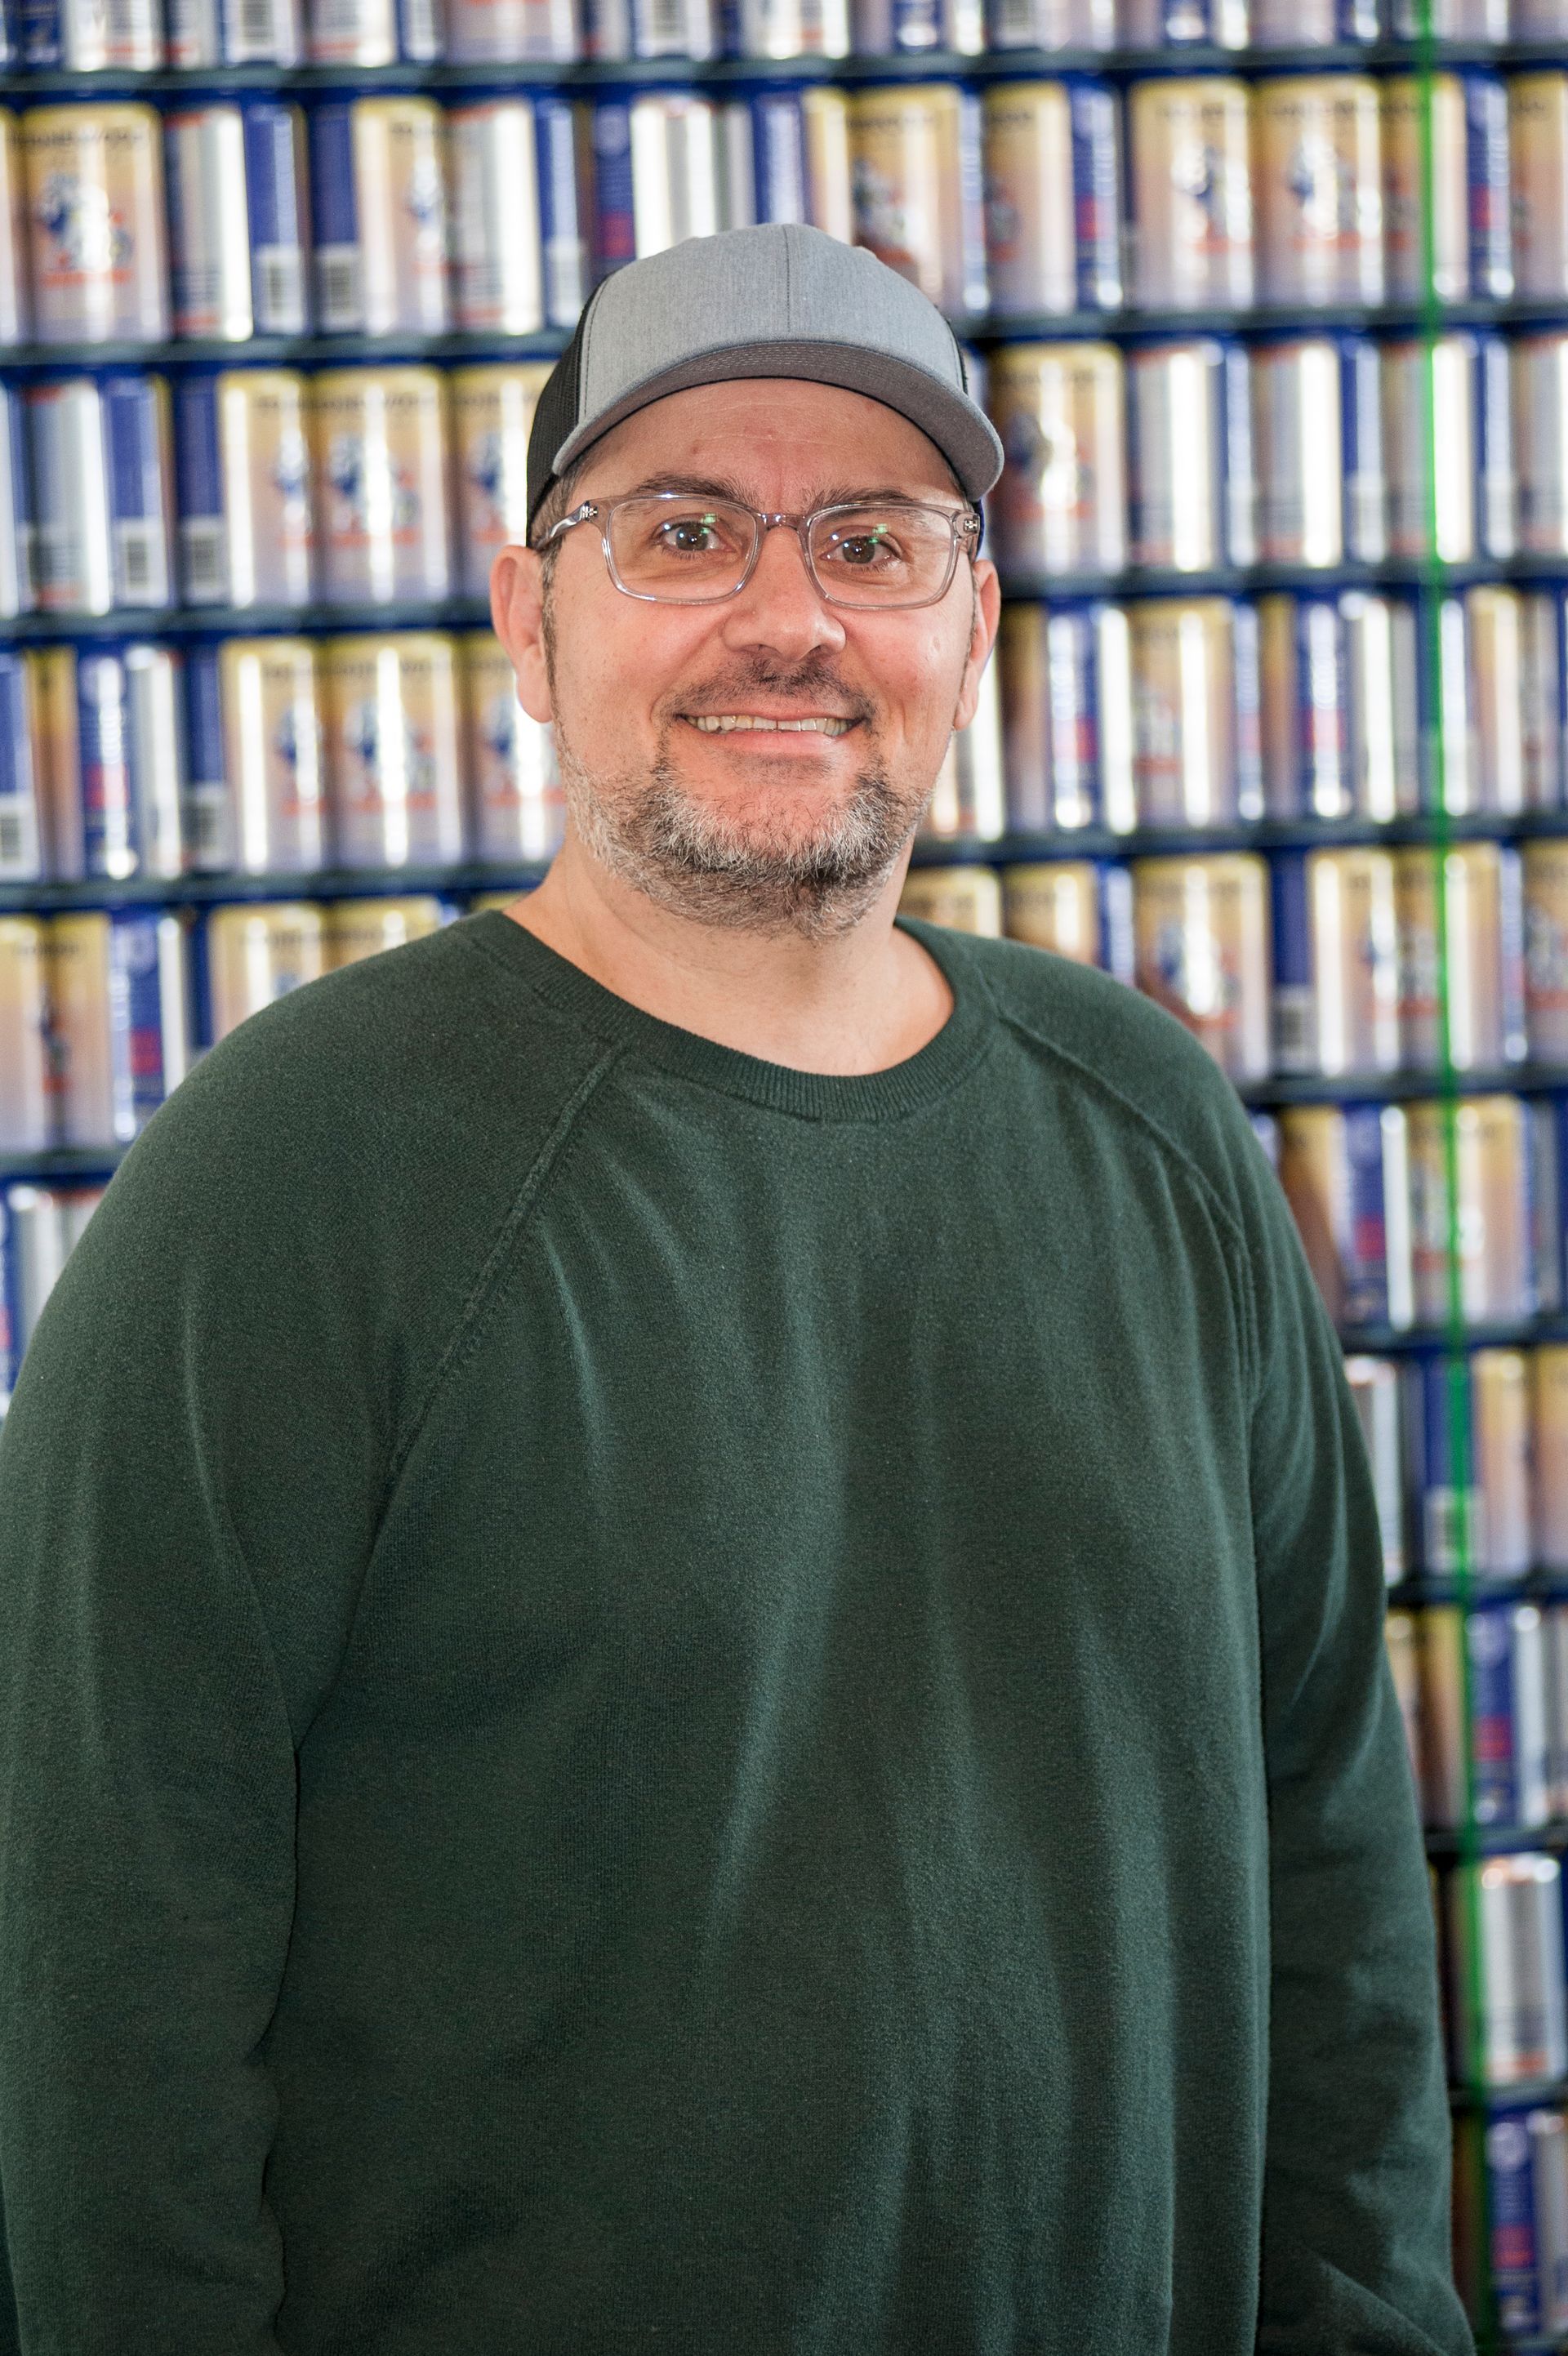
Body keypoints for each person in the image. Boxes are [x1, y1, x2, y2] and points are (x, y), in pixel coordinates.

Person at [0, 224, 1472, 2356]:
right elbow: (95, 2012)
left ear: (978, 623)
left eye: (874, 540)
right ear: (531, 618)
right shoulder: (298, 1171)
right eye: (685, 530)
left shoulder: (1150, 1128)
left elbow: (1332, 1903)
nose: (786, 618)